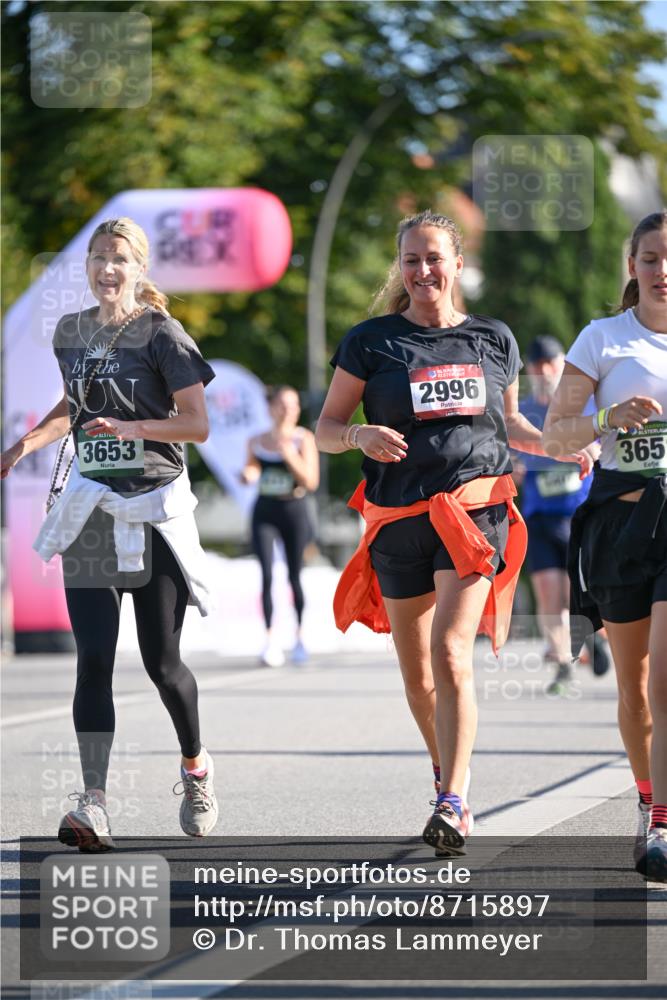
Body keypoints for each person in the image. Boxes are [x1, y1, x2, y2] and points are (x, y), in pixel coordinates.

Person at [316, 209, 593, 856]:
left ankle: (454, 799)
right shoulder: (369, 340)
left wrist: (562, 444)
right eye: (410, 260)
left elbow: (511, 427)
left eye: (433, 258)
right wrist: (357, 434)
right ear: (400, 267)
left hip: (474, 513)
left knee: (449, 652)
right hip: (397, 520)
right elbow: (325, 429)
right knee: (417, 676)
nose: (421, 271)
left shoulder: (492, 338)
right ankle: (444, 771)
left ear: (457, 264)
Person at [1, 217, 219, 852]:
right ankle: (93, 802)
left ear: (139, 268)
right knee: (93, 661)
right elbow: (75, 404)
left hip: (152, 511)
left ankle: (196, 766)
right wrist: (23, 444)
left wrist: (133, 431)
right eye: (98, 258)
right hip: (93, 510)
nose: (107, 269)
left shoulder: (163, 334)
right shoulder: (71, 332)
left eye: (119, 258)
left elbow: (196, 424)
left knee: (161, 663)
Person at [543, 211, 667, 883]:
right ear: (632, 266)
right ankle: (649, 806)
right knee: (635, 689)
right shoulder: (601, 339)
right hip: (620, 529)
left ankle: (665, 824)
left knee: (664, 678)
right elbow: (555, 436)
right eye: (650, 258)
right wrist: (602, 420)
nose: (661, 271)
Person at [515, 334, 609, 694]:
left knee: (578, 593)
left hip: (579, 515)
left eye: (552, 365)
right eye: (538, 367)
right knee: (548, 593)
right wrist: (514, 469)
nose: (545, 372)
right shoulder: (522, 411)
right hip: (539, 516)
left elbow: (604, 448)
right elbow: (507, 452)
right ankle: (564, 666)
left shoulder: (582, 406)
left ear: (563, 364)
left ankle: (593, 639)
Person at [241, 385, 319, 666]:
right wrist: (248, 474)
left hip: (294, 509)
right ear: (271, 408)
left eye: (294, 405)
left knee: (294, 575)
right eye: (284, 405)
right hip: (265, 509)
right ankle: (270, 639)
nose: (289, 410)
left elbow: (311, 481)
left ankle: (299, 638)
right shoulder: (256, 440)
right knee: (266, 575)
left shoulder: (303, 439)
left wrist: (289, 455)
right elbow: (251, 468)